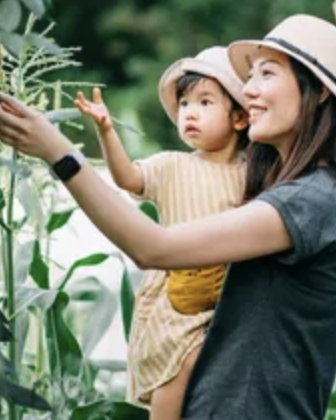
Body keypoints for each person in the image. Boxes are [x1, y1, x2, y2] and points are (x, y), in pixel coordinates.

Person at [0, 14, 336, 419]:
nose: (248, 90)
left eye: (267, 73)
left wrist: (61, 153)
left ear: (317, 93)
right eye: (250, 77)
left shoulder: (311, 200)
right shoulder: (298, 193)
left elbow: (153, 247)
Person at [72, 46, 249, 417]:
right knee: (176, 369)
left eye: (205, 102)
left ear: (239, 119)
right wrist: (106, 130)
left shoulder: (253, 175)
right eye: (184, 104)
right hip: (177, 301)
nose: (190, 113)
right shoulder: (171, 165)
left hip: (229, 299)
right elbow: (128, 178)